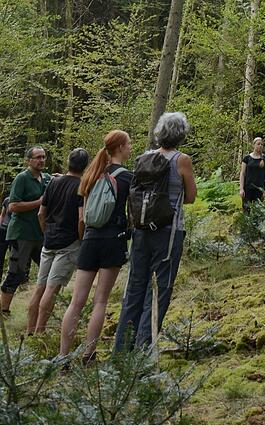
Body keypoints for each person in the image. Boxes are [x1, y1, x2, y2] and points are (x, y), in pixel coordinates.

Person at [113, 112, 197, 351]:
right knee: (160, 289)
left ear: (160, 133)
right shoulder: (182, 160)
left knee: (135, 287)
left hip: (140, 230)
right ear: (181, 135)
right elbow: (190, 197)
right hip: (168, 233)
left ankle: (121, 349)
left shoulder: (143, 158)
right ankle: (143, 350)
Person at [59, 131, 133, 362]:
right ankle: (88, 354)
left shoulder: (91, 175)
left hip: (90, 240)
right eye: (129, 144)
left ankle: (63, 357)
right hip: (113, 240)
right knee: (100, 301)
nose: (130, 147)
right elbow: (132, 214)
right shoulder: (127, 178)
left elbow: (82, 218)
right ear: (120, 147)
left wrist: (84, 239)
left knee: (76, 302)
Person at [28, 148, 89, 334]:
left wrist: (46, 232)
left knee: (40, 287)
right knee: (52, 289)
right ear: (85, 165)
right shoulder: (81, 186)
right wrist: (80, 239)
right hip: (67, 244)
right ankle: (39, 332)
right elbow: (81, 219)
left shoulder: (53, 182)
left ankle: (30, 331)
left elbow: (41, 213)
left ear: (68, 162)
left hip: (49, 241)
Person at [1, 147, 51, 317]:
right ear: (29, 160)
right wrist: (39, 202)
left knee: (48, 271)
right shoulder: (22, 178)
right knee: (16, 272)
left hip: (40, 234)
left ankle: (42, 308)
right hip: (21, 233)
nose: (41, 160)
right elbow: (13, 206)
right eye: (37, 157)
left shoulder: (46, 178)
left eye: (43, 157)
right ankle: (4, 311)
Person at [239, 137, 265, 211]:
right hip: (247, 188)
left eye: (261, 144)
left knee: (258, 211)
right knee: (246, 210)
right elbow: (242, 173)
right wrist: (241, 189)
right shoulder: (246, 158)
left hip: (259, 189)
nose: (260, 146)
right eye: (258, 144)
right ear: (253, 145)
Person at [0, 196, 11, 284]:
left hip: (13, 232)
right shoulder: (7, 200)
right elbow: (2, 214)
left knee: (14, 256)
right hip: (4, 229)